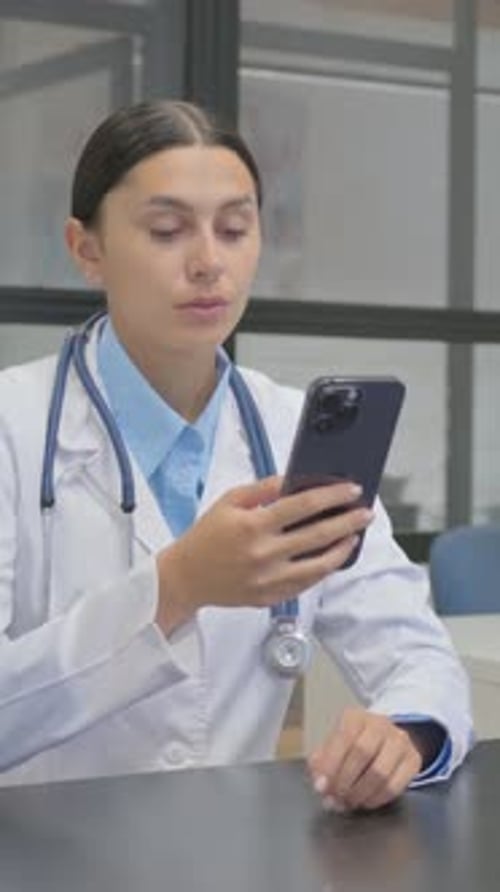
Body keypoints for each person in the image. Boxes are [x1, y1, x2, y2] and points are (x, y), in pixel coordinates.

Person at [0, 100, 472, 809]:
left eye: (235, 228)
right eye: (167, 230)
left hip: (237, 858)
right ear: (86, 248)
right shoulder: (14, 426)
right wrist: (177, 588)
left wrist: (405, 733)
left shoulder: (288, 430)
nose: (208, 262)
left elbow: (416, 652)